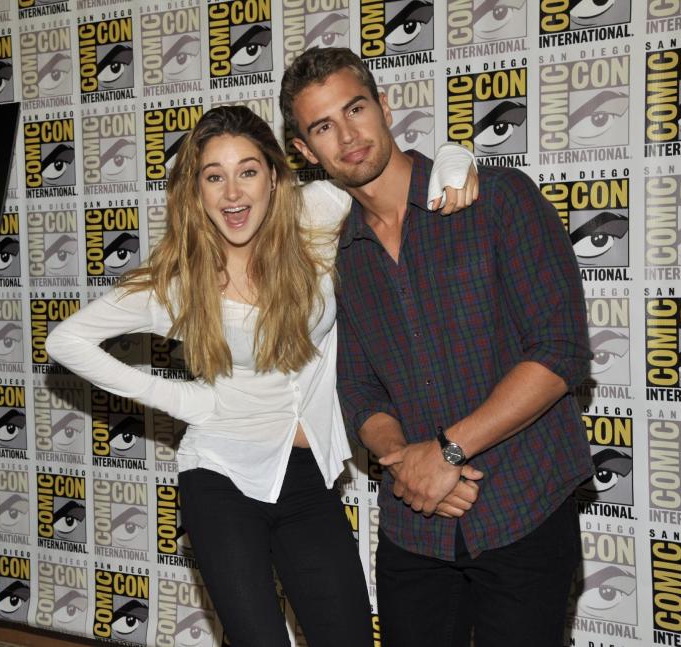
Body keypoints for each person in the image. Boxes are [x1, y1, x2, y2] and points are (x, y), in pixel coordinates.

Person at [45, 105, 476, 646]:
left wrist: (456, 163)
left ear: (274, 177)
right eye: (214, 176)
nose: (233, 193)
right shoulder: (177, 283)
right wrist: (188, 403)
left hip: (308, 477)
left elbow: (392, 176)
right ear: (195, 190)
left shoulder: (316, 216)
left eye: (247, 171)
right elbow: (66, 340)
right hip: (221, 472)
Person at [280, 47, 592, 646]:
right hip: (416, 528)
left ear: (384, 106)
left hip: (523, 506)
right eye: (323, 126)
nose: (347, 135)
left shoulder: (498, 199)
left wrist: (445, 455)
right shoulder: (335, 255)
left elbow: (560, 352)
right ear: (304, 151)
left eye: (355, 109)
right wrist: (407, 464)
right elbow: (359, 389)